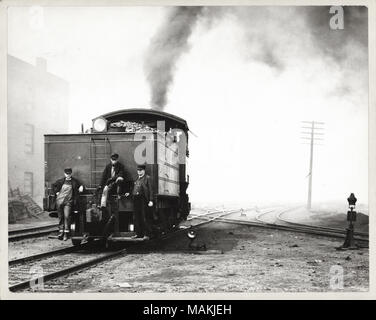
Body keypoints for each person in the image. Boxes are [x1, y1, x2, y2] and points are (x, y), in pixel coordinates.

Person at [53, 168, 84, 241]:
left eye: (69, 174)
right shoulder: (60, 181)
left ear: (71, 174)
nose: (68, 175)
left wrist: (81, 187)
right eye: (67, 174)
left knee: (67, 216)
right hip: (60, 202)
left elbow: (81, 186)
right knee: (61, 217)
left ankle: (66, 233)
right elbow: (53, 186)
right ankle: (61, 232)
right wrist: (56, 192)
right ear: (64, 174)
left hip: (68, 202)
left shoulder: (75, 181)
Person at [127, 164, 153, 240]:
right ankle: (138, 234)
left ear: (144, 171)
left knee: (144, 217)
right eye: (138, 171)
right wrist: (129, 193)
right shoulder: (137, 179)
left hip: (143, 199)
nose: (139, 172)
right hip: (136, 199)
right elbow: (134, 189)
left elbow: (151, 190)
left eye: (141, 171)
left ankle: (146, 234)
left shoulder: (147, 178)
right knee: (136, 217)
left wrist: (151, 200)